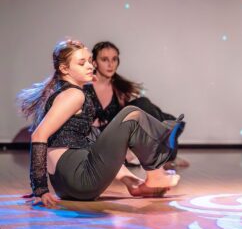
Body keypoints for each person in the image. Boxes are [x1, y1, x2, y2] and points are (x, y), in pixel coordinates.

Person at [17, 40, 184, 208]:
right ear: (64, 69)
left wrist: (39, 187)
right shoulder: (74, 95)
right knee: (131, 114)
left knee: (93, 133)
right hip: (79, 177)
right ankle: (156, 176)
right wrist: (39, 189)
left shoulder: (63, 92)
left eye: (90, 61)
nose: (90, 66)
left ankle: (133, 183)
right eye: (82, 63)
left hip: (65, 186)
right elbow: (39, 135)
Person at [87, 41, 188, 169]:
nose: (110, 64)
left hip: (119, 136)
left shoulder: (120, 88)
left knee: (143, 104)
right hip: (97, 139)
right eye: (104, 59)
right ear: (94, 63)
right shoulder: (85, 87)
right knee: (153, 115)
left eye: (114, 59)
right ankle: (168, 142)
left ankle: (166, 145)